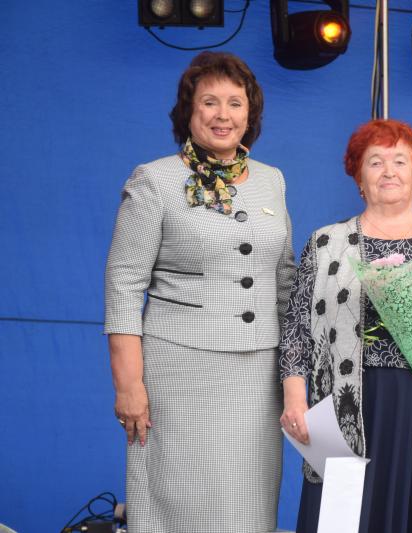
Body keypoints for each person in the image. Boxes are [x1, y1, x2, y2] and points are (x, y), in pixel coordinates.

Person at [104, 51, 295, 533]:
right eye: (209, 102)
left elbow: (285, 279)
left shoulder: (272, 180)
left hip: (259, 374)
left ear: (250, 114)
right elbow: (123, 285)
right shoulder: (155, 180)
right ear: (188, 111)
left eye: (235, 103)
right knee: (180, 501)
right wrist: (128, 385)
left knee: (248, 506)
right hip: (179, 371)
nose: (222, 114)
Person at [279, 119, 412, 533]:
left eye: (400, 161)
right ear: (359, 178)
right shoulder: (326, 243)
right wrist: (294, 399)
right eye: (375, 162)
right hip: (347, 410)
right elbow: (295, 330)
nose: (388, 171)